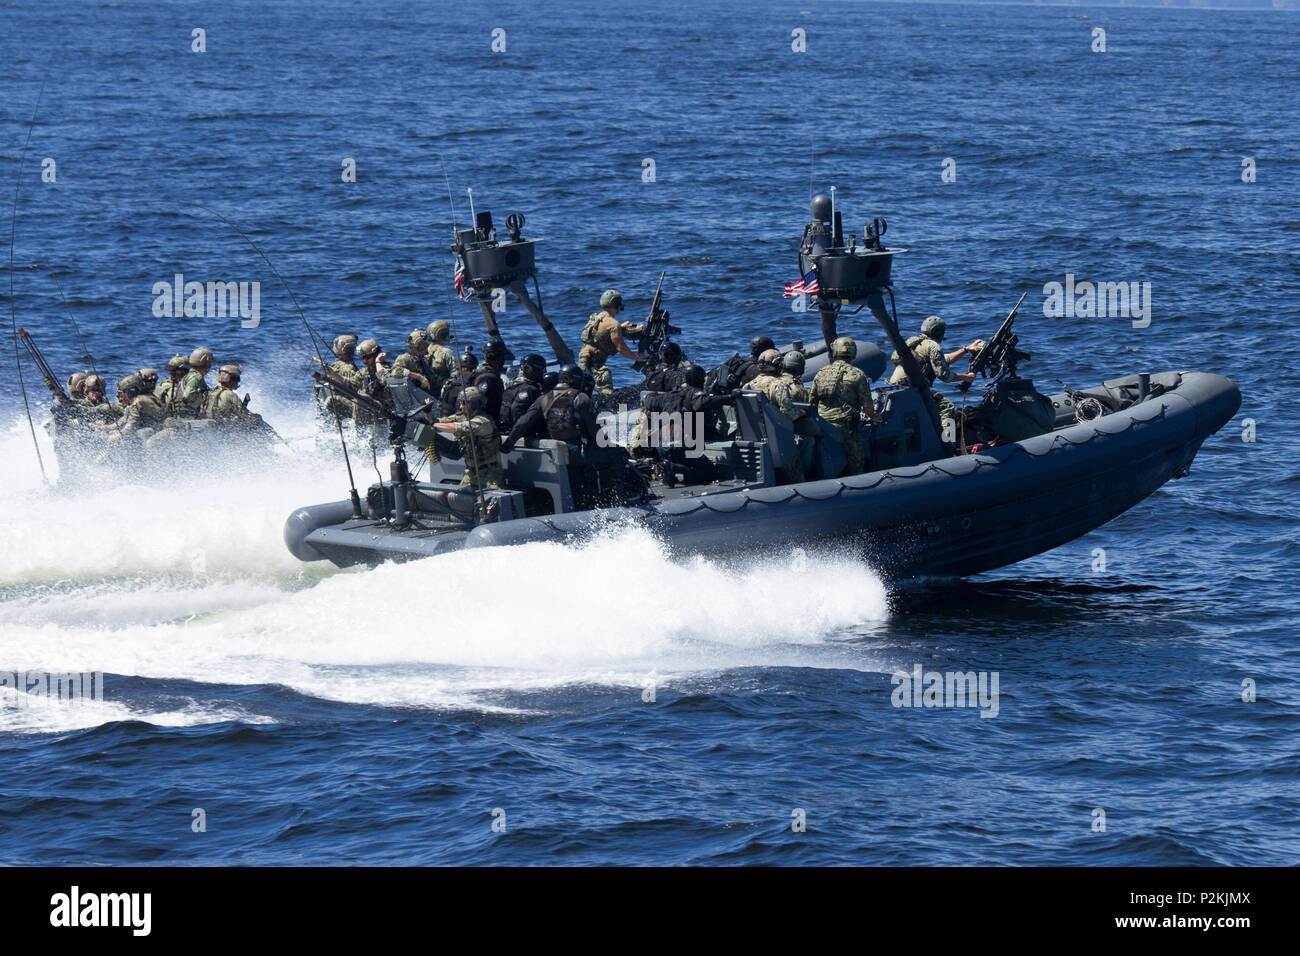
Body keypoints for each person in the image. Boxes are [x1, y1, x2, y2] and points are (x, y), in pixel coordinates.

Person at [888, 315, 984, 424]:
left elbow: (943, 360)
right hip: (911, 391)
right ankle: (947, 440)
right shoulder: (933, 346)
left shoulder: (916, 343)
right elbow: (944, 376)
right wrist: (967, 377)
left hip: (896, 389)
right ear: (937, 333)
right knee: (947, 407)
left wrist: (966, 349)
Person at [812, 337, 881, 477]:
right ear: (853, 353)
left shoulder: (821, 373)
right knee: (857, 459)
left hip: (824, 426)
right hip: (846, 427)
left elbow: (813, 401)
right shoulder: (857, 375)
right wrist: (875, 417)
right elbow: (868, 408)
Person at [428, 386, 503, 491]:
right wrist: (428, 414)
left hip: (489, 475)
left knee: (493, 502)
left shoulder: (483, 422)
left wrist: (433, 424)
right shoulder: (463, 417)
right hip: (470, 474)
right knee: (461, 502)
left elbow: (456, 427)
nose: (461, 407)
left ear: (475, 404)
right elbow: (440, 423)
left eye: (464, 403)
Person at [578, 289, 646, 395]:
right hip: (595, 363)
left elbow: (601, 332)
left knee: (585, 391)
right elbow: (622, 349)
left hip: (584, 358)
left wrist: (621, 328)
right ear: (616, 305)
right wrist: (637, 357)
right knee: (607, 394)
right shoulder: (614, 324)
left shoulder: (597, 317)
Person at [102, 373, 165, 446]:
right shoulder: (140, 400)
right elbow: (124, 420)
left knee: (136, 435)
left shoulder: (138, 401)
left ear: (130, 392)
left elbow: (131, 426)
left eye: (122, 393)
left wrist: (117, 436)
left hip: (161, 430)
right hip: (156, 428)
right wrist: (105, 427)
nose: (120, 396)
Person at [349, 339, 393, 430]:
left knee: (360, 397)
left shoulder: (388, 369)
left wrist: (378, 362)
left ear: (376, 354)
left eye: (367, 357)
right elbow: (350, 384)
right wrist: (333, 375)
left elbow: (386, 380)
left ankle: (357, 434)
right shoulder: (365, 372)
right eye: (362, 358)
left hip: (383, 410)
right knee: (334, 399)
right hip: (368, 406)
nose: (364, 361)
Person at [500, 353, 545, 431]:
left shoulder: (514, 384)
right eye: (538, 369)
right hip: (516, 430)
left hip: (506, 426)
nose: (541, 373)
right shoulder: (530, 389)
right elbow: (516, 410)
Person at [204, 364, 256, 430]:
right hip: (224, 427)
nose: (238, 382)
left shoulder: (212, 391)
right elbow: (244, 414)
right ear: (231, 380)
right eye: (237, 379)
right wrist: (255, 417)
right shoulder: (230, 394)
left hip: (214, 424)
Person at [472, 339, 507, 423]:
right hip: (485, 423)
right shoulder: (489, 378)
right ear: (500, 357)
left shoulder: (480, 371)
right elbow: (481, 403)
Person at [178, 347, 214, 418]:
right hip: (189, 417)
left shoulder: (188, 375)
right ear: (205, 364)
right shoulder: (197, 377)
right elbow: (187, 397)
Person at [425, 320, 457, 391]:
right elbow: (455, 375)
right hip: (443, 389)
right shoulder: (447, 352)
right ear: (442, 335)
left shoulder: (425, 349)